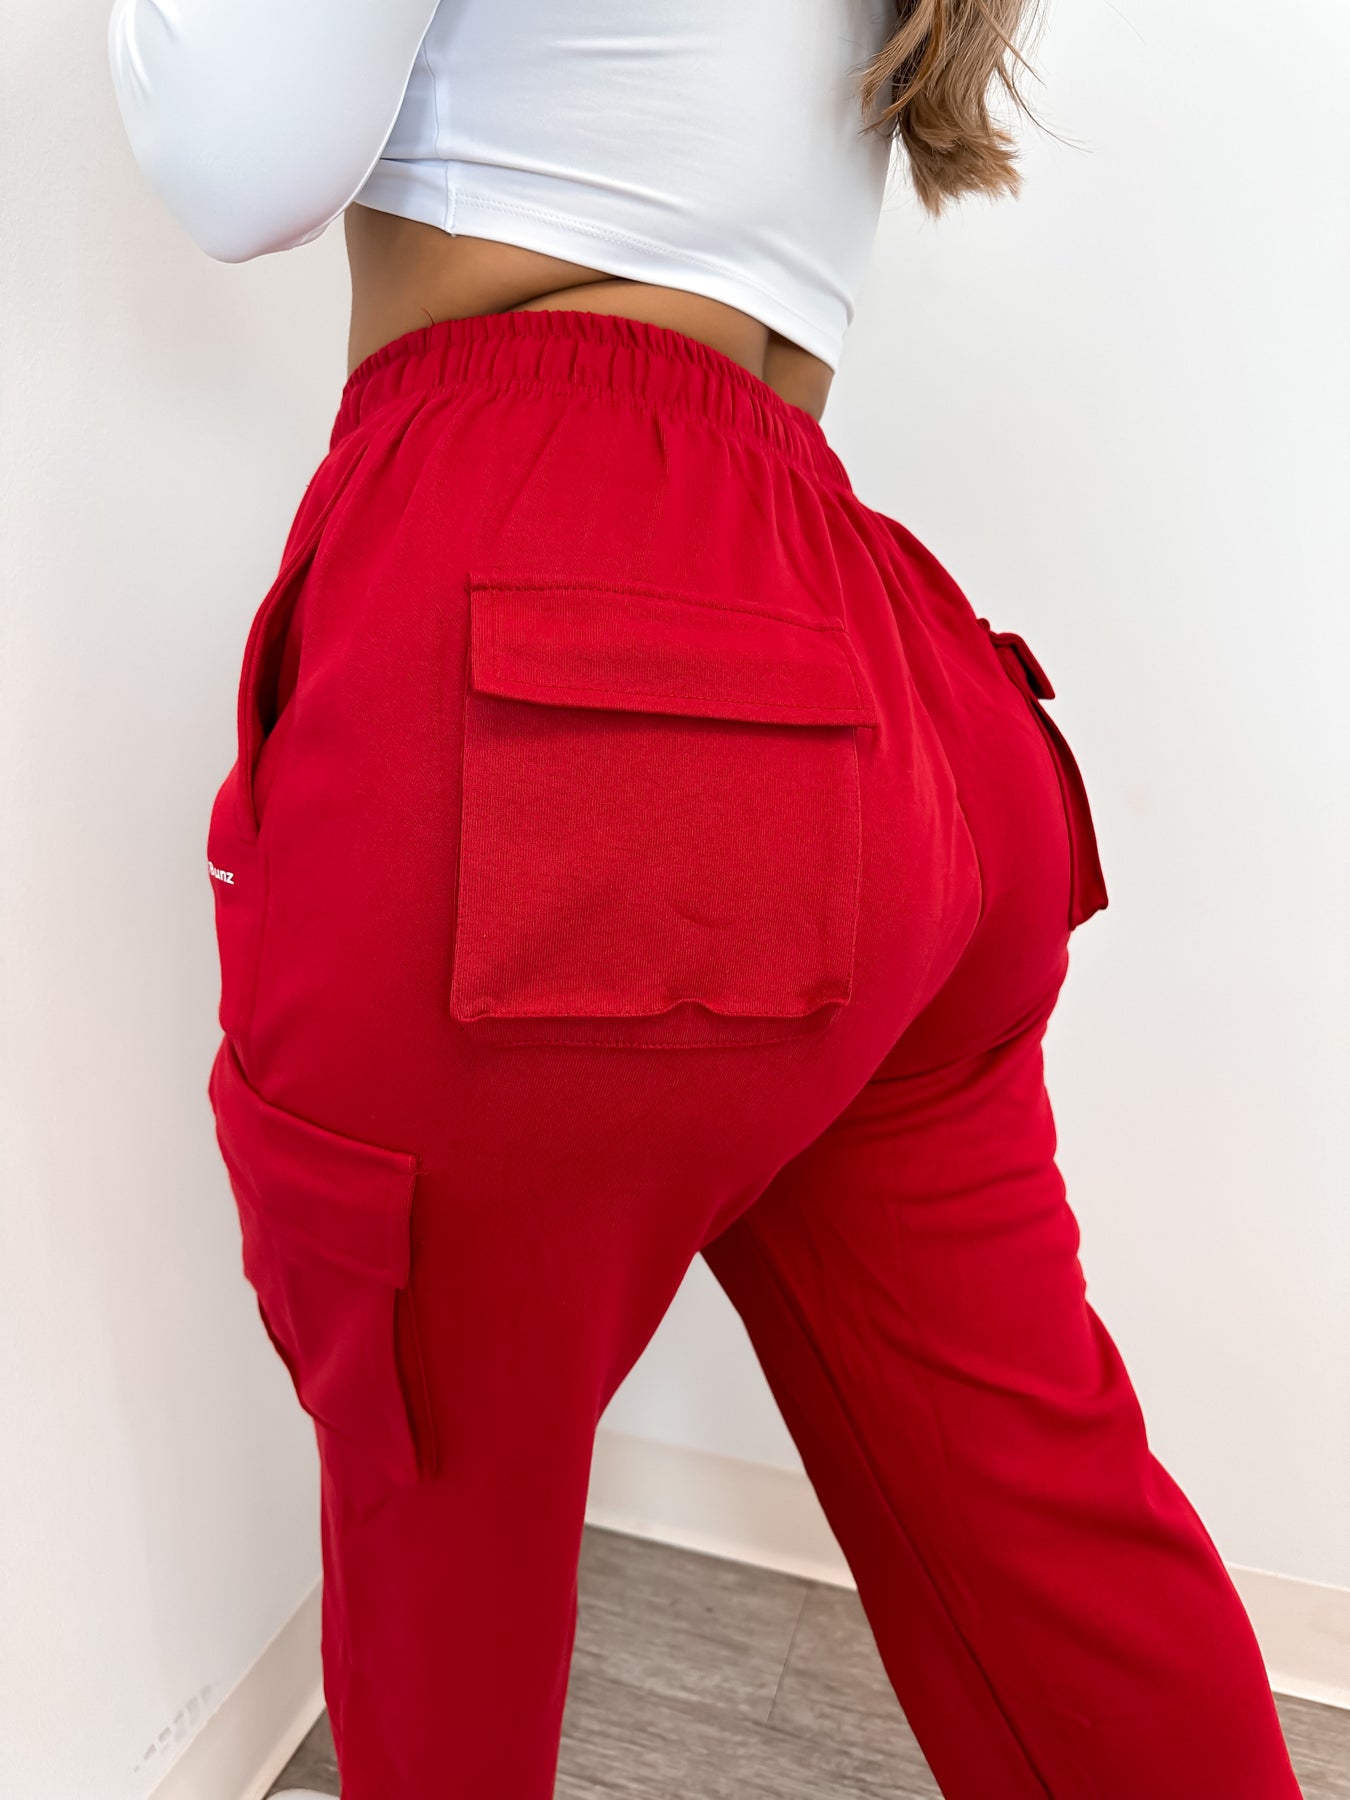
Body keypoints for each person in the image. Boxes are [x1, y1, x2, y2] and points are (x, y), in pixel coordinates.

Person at [107, 5, 1306, 1798]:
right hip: (883, 687)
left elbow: (235, 160)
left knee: (445, 1547)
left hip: (579, 664)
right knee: (1039, 1529)